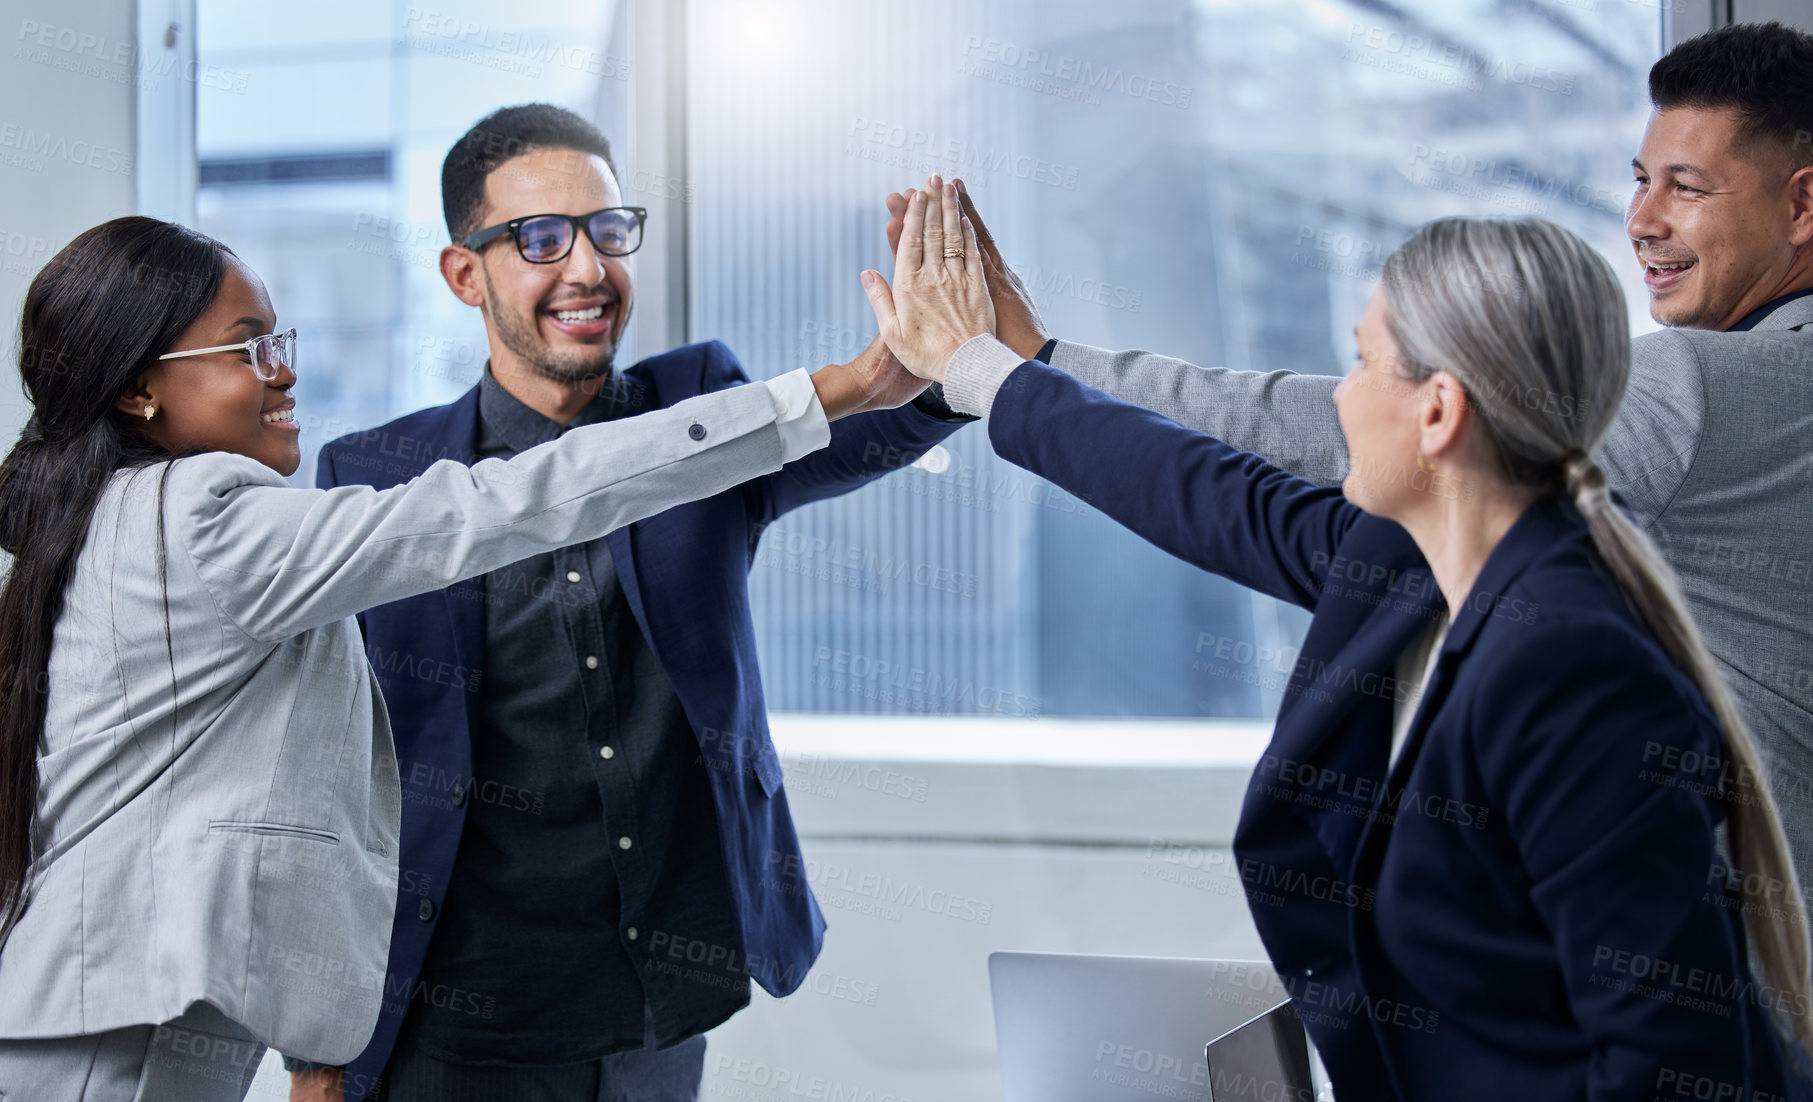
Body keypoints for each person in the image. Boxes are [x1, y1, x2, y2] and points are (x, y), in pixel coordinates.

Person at [864, 175, 1812, 1098]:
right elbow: (1214, 493)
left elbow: (1674, 1069)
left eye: (1360, 364)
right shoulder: (1411, 572)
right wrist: (999, 374)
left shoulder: (1576, 677)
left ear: (1438, 411)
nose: (1340, 401)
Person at [0, 214, 919, 1102]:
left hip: (105, 1012)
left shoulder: (104, 519)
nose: (281, 372)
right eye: (246, 348)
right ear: (136, 389)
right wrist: (831, 388)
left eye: (280, 338)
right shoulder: (198, 518)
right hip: (110, 1030)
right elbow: (512, 501)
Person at [893, 20, 1813, 897]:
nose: (1641, 220)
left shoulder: (1701, 388)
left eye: (1685, 188)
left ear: (1801, 202)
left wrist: (1021, 377)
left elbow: (1322, 490)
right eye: (1639, 180)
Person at [282, 105, 976, 1102]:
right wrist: (315, 1046)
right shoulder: (380, 476)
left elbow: (863, 432)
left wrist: (953, 359)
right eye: (540, 238)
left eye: (608, 231)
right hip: (453, 1010)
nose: (587, 267)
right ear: (464, 275)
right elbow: (329, 781)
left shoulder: (703, 412)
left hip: (656, 1000)